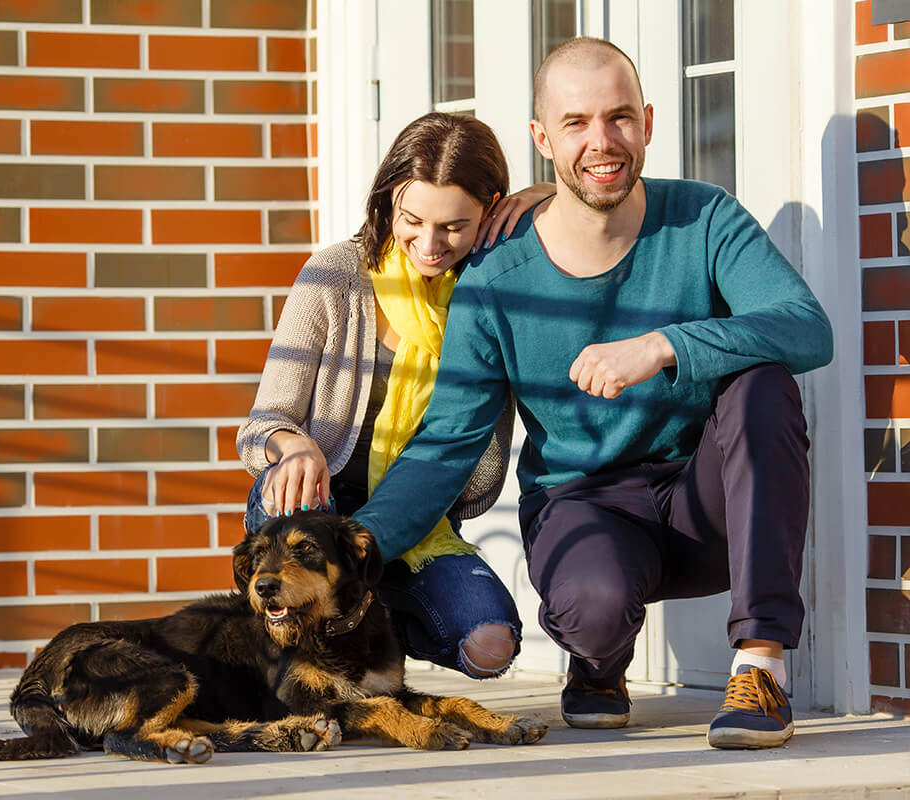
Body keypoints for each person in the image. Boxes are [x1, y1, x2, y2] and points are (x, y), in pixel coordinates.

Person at [351, 37, 833, 750]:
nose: (601, 142)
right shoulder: (496, 277)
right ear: (544, 139)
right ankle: (598, 662)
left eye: (619, 118)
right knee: (597, 607)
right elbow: (449, 441)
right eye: (576, 123)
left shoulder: (704, 218)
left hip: (709, 504)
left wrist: (666, 345)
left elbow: (807, 330)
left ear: (648, 120)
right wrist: (354, 545)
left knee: (761, 380)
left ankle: (760, 662)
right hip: (583, 505)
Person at [237, 112, 553, 680]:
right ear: (388, 204)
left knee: (491, 646)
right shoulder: (335, 275)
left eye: (455, 227)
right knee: (291, 496)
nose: (429, 246)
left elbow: (595, 218)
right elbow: (263, 422)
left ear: (491, 212)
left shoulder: (493, 289)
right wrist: (295, 446)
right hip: (313, 512)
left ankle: (373, 611)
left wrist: (549, 200)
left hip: (416, 527)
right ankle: (298, 642)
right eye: (413, 221)